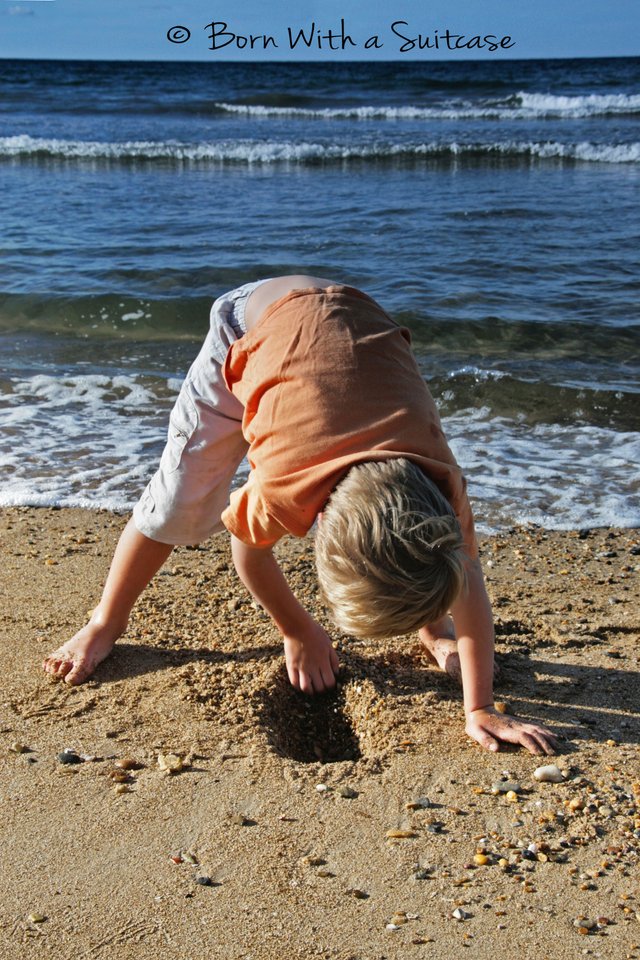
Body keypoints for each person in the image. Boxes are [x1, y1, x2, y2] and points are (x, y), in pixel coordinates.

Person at [43, 275, 557, 756]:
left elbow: (467, 579)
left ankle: (431, 630)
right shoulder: (286, 485)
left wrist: (480, 706)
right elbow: (248, 553)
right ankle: (105, 621)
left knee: (422, 567)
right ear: (315, 523)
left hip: (349, 323)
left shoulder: (442, 489)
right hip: (248, 326)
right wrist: (298, 629)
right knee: (179, 502)